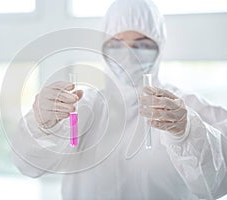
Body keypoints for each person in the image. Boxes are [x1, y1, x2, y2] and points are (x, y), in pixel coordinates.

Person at [12, 0, 227, 199]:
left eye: (142, 45)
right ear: (103, 48)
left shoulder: (188, 108)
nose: (128, 53)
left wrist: (187, 132)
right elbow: (29, 165)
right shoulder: (82, 106)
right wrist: (42, 125)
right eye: (117, 43)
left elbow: (216, 184)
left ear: (159, 45)